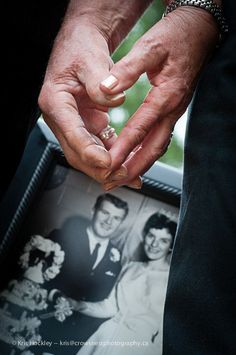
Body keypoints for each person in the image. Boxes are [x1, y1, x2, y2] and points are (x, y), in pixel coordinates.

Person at [2, 0, 235, 354]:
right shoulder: (69, 235)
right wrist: (92, 24)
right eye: (106, 215)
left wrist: (198, 11)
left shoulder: (125, 262)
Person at [68, 212, 176, 355]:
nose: (154, 244)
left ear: (171, 246)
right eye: (151, 236)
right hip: (106, 337)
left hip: (139, 348)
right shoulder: (130, 267)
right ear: (144, 236)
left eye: (163, 240)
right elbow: (110, 307)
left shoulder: (172, 280)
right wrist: (78, 305)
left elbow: (165, 333)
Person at [38, 193, 128, 354]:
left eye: (116, 218)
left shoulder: (117, 257)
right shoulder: (60, 237)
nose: (109, 221)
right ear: (93, 211)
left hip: (78, 341)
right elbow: (34, 277)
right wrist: (54, 295)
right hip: (42, 326)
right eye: (105, 213)